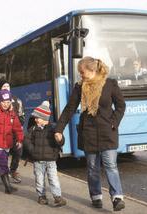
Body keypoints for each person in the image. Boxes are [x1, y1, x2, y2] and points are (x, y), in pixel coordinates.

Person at [54, 56, 126, 211]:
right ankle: (96, 196)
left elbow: (121, 106)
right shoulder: (79, 87)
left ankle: (117, 197)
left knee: (110, 165)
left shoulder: (110, 84)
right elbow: (70, 109)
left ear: (92, 70)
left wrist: (114, 122)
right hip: (89, 132)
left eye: (82, 72)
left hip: (108, 131)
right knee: (92, 167)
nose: (81, 75)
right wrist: (59, 129)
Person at [24, 101, 67, 207]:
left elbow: (61, 141)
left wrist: (60, 139)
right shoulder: (33, 129)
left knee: (53, 179)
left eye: (37, 118)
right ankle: (42, 196)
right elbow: (26, 140)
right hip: (38, 159)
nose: (35, 120)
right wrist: (32, 150)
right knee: (39, 179)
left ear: (44, 118)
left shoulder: (53, 128)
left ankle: (57, 197)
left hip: (51, 160)